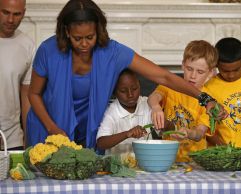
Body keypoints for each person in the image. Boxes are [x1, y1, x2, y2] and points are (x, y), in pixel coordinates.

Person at [26, 0, 226, 149]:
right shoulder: (48, 51)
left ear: (99, 30)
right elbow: (33, 94)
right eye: (78, 38)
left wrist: (205, 99)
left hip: (89, 128)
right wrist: (52, 127)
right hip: (47, 125)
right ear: (66, 32)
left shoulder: (112, 52)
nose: (84, 44)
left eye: (90, 37)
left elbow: (163, 77)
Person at [173, 37, 241, 147]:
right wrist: (224, 148)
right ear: (216, 65)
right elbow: (208, 127)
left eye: (236, 69)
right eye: (225, 71)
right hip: (222, 154)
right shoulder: (207, 90)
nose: (231, 75)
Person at [147, 40, 218, 162]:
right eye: (189, 69)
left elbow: (200, 133)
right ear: (182, 65)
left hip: (196, 161)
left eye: (200, 72)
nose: (193, 76)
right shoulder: (171, 85)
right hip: (167, 157)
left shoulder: (209, 101)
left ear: (210, 73)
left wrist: (188, 133)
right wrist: (156, 107)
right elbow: (153, 97)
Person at [96, 69, 172, 155]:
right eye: (123, 91)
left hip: (145, 164)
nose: (130, 95)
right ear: (114, 92)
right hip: (119, 166)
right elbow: (101, 143)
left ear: (139, 85)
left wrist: (166, 125)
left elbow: (170, 129)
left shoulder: (147, 104)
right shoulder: (111, 112)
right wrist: (127, 134)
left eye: (134, 89)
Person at [0, 0, 34, 150]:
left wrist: (28, 137)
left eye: (17, 14)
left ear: (24, 13)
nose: (10, 20)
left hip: (13, 140)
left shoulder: (28, 45)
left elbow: (26, 95)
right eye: (5, 12)